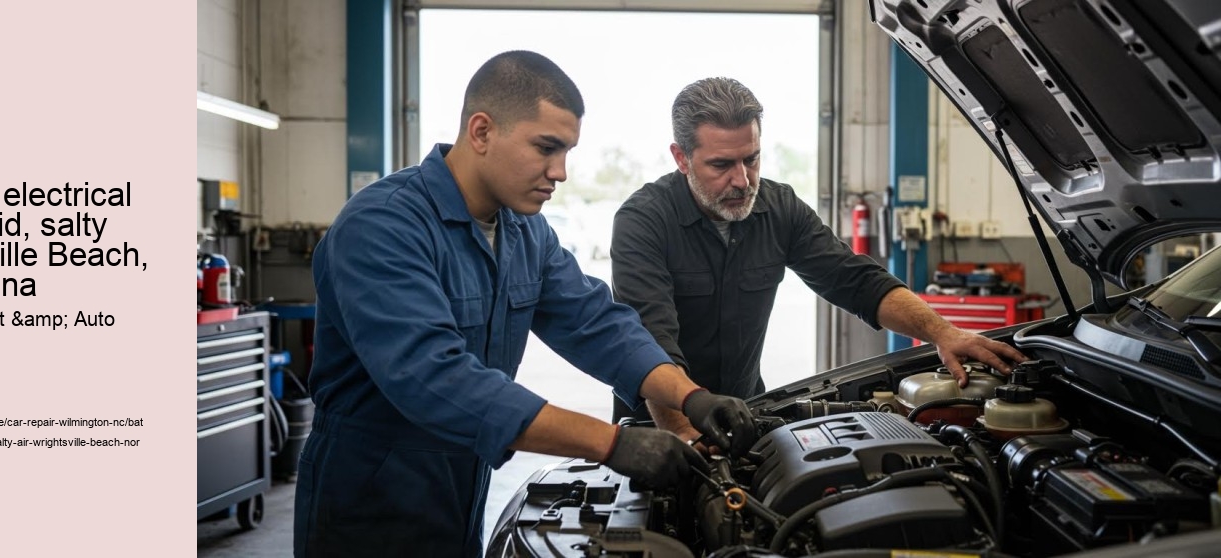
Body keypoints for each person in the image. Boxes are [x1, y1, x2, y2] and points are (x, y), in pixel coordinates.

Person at [293, 52, 753, 557]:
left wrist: (691, 397)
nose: (560, 172)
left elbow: (595, 322)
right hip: (368, 506)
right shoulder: (383, 226)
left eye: (567, 151)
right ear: (483, 131)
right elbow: (434, 378)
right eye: (546, 148)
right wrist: (611, 443)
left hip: (461, 490)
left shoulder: (524, 230)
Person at [611, 77, 1028, 424]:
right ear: (682, 158)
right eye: (721, 165)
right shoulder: (643, 221)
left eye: (752, 160)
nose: (742, 180)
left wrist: (943, 332)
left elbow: (855, 279)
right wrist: (684, 436)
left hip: (743, 409)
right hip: (656, 423)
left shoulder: (780, 208)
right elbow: (651, 343)